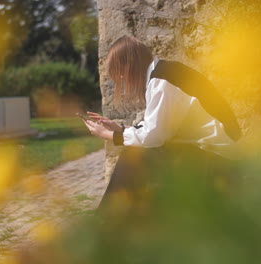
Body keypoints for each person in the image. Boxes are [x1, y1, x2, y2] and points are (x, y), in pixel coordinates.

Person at [83, 35, 242, 215]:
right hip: (215, 152)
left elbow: (155, 136)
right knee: (139, 156)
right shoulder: (161, 74)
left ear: (129, 66)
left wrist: (110, 136)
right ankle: (121, 220)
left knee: (133, 157)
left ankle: (109, 221)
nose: (121, 79)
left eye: (120, 73)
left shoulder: (162, 80)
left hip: (220, 159)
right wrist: (121, 129)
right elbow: (158, 126)